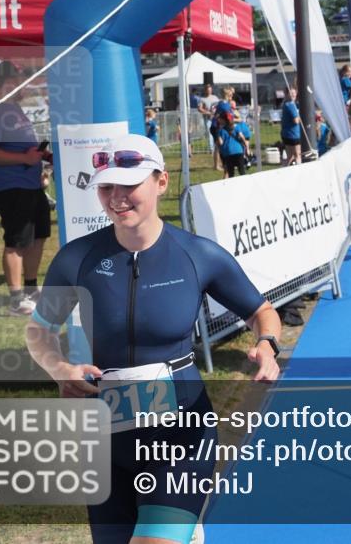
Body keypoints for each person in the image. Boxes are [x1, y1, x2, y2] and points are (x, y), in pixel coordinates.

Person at [25, 134, 280, 544]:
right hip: (105, 438)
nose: (116, 197)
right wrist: (59, 368)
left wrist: (268, 344)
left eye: (129, 185)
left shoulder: (198, 255)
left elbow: (261, 311)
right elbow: (39, 330)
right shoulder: (77, 258)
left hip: (181, 435)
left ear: (161, 182)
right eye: (106, 187)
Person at [0, 62, 51, 316]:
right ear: (6, 82)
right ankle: (17, 299)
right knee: (16, 242)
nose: (24, 87)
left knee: (38, 236)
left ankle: (30, 290)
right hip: (11, 186)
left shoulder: (13, 107)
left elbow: (22, 146)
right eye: (20, 81)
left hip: (30, 184)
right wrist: (24, 159)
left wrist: (43, 155)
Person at [216, 111, 250, 177]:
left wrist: (217, 138)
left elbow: (221, 142)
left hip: (228, 153)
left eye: (220, 119)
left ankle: (232, 186)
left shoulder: (221, 130)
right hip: (238, 151)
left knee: (231, 173)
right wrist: (247, 149)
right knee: (241, 171)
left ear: (223, 120)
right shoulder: (236, 127)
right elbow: (243, 137)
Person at [280, 87, 302, 165]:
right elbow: (296, 121)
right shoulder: (290, 105)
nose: (293, 95)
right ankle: (299, 169)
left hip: (287, 134)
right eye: (291, 93)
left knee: (290, 156)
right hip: (293, 134)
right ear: (287, 94)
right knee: (297, 154)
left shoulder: (286, 104)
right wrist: (303, 117)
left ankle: (287, 168)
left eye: (294, 93)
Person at [197, 83, 219, 153]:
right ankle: (211, 149)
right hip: (208, 119)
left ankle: (218, 146)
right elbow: (200, 108)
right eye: (208, 90)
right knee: (210, 133)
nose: (209, 91)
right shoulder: (202, 99)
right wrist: (208, 112)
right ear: (205, 90)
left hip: (216, 118)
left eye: (210, 90)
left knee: (218, 132)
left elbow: (218, 106)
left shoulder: (215, 97)